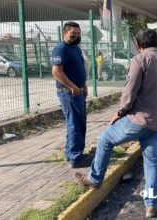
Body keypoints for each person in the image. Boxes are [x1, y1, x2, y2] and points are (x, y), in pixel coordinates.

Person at [74, 28, 157, 218]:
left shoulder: (139, 60)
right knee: (152, 164)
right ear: (156, 44)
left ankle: (95, 178)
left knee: (105, 138)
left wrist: (120, 113)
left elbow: (129, 92)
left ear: (139, 46)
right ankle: (151, 207)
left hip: (138, 120)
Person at [51, 22, 89, 168]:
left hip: (78, 91)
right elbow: (56, 72)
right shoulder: (61, 49)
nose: (77, 36)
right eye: (73, 33)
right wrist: (73, 87)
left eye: (78, 34)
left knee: (77, 123)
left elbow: (79, 69)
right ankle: (76, 158)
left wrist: (83, 85)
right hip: (69, 93)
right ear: (65, 33)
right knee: (75, 124)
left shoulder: (75, 48)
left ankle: (71, 153)